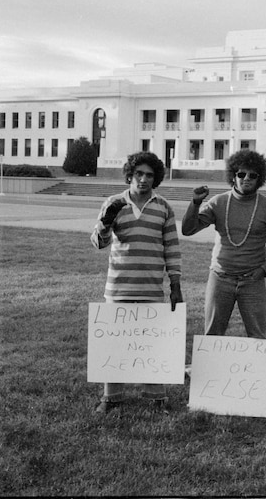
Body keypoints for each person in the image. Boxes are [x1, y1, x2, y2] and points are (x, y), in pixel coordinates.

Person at [90, 151, 183, 414]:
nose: (143, 179)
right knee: (115, 343)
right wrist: (106, 222)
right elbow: (99, 243)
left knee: (152, 344)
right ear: (130, 175)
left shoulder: (163, 207)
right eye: (139, 174)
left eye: (149, 175)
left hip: (152, 288)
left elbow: (171, 248)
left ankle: (155, 398)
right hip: (119, 287)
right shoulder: (113, 202)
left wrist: (175, 284)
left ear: (156, 179)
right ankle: (111, 398)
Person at [182, 149, 266, 339]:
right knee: (212, 336)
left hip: (253, 282)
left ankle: (257, 369)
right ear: (233, 176)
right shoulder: (218, 202)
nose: (246, 178)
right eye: (241, 174)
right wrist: (195, 203)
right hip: (220, 278)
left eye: (252, 175)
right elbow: (188, 230)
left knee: (257, 336)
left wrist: (264, 270)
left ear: (259, 179)